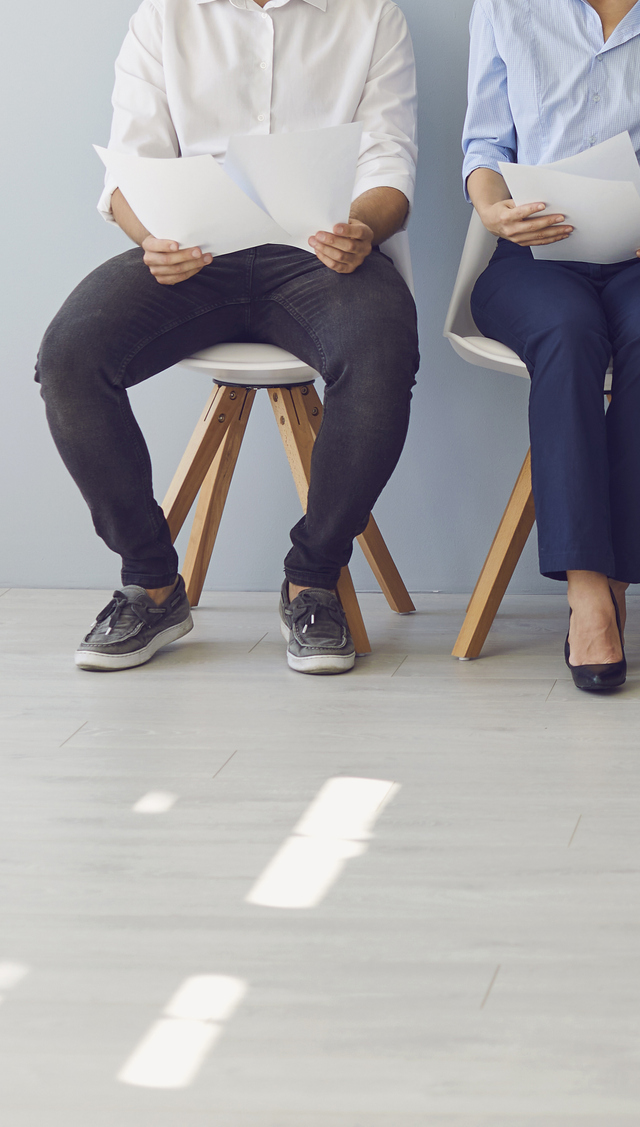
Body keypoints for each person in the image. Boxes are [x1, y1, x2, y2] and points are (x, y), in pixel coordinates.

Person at [38, 0, 418, 677]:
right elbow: (127, 166)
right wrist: (150, 239)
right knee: (70, 353)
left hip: (321, 250)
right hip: (192, 250)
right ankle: (151, 584)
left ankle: (312, 581)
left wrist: (362, 226)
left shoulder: (369, 13)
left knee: (383, 349)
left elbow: (390, 157)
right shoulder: (164, 14)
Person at [461, 0, 640, 694]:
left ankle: (616, 581)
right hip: (532, 254)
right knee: (568, 332)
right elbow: (485, 148)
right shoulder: (504, 8)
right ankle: (588, 592)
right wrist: (494, 211)